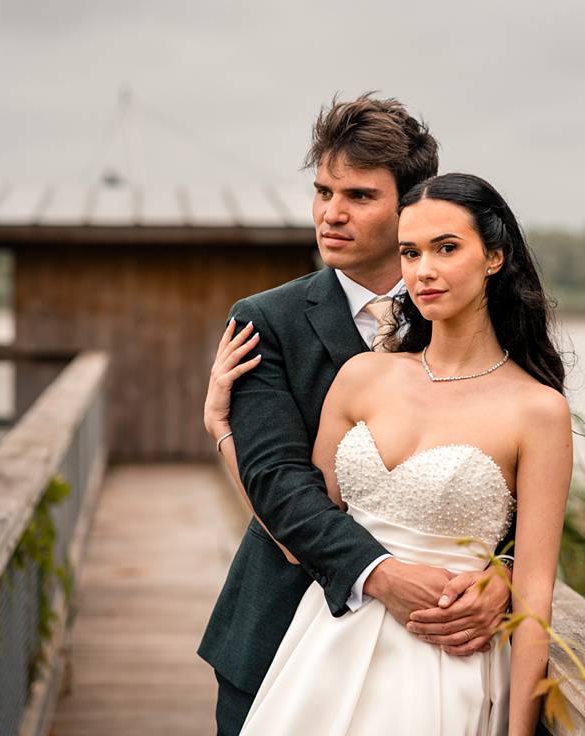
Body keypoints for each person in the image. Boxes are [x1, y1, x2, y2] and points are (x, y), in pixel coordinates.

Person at [197, 95, 519, 735]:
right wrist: (382, 576)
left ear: (411, 204)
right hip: (278, 630)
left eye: (359, 196)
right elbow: (281, 485)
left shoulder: (469, 314)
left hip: (439, 656)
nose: (330, 214)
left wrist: (505, 574)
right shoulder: (268, 320)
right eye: (322, 191)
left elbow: (513, 472)